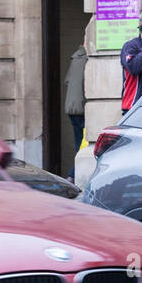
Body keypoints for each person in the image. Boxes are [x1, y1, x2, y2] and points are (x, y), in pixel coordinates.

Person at [62, 22, 90, 179]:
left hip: (71, 108)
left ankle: (73, 175)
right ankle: (73, 175)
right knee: (84, 146)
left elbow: (67, 81)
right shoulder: (87, 59)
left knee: (80, 143)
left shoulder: (75, 57)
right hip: (82, 109)